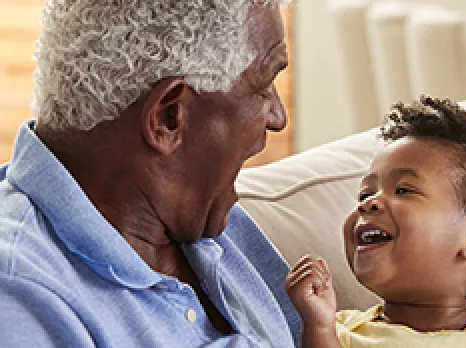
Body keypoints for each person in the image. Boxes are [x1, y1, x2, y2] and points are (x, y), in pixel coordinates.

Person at [0, 0, 302, 346]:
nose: (279, 117)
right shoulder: (21, 297)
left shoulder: (205, 213)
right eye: (264, 88)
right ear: (168, 117)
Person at [285, 96, 466, 347]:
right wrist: (318, 326)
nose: (368, 203)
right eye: (366, 193)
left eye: (403, 190)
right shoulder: (341, 332)